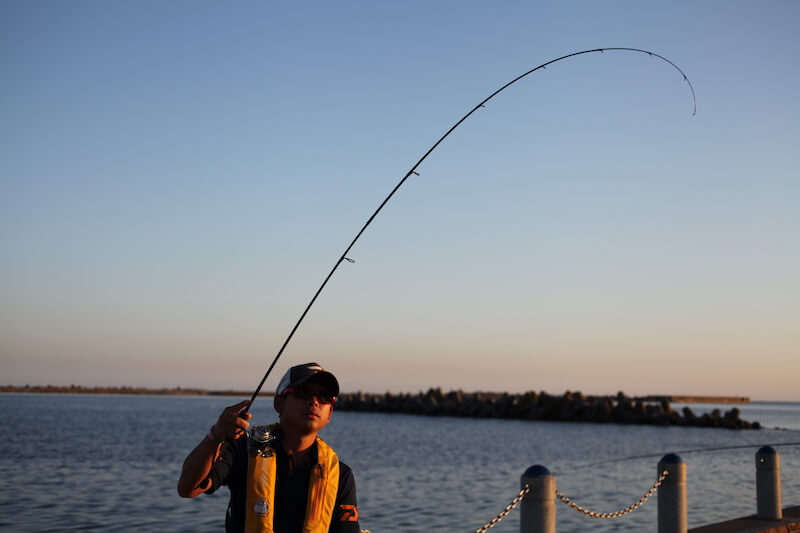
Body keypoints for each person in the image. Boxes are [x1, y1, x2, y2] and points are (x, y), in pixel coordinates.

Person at [178, 362, 361, 533]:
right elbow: (187, 488)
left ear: (329, 414)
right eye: (303, 392)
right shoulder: (244, 450)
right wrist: (216, 435)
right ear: (279, 403)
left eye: (324, 397)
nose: (314, 402)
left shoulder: (340, 475)